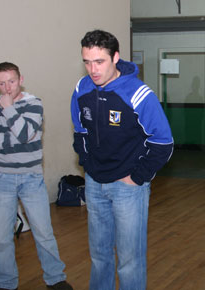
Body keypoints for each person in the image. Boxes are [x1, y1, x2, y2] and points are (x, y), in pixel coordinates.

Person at [71, 30, 173, 290]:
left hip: (128, 188)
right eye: (87, 61)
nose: (92, 69)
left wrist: (136, 177)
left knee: (129, 260)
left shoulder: (139, 93)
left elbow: (163, 143)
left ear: (115, 57)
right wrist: (88, 166)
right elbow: (80, 132)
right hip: (94, 184)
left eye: (99, 61)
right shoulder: (81, 89)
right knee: (99, 256)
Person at [0, 62, 73, 290]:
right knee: (2, 238)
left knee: (44, 233)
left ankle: (55, 279)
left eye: (11, 81)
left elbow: (26, 134)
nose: (7, 88)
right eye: (1, 83)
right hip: (2, 179)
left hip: (31, 178)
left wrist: (8, 111)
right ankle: (5, 283)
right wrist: (17, 135)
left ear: (21, 79)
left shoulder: (33, 104)